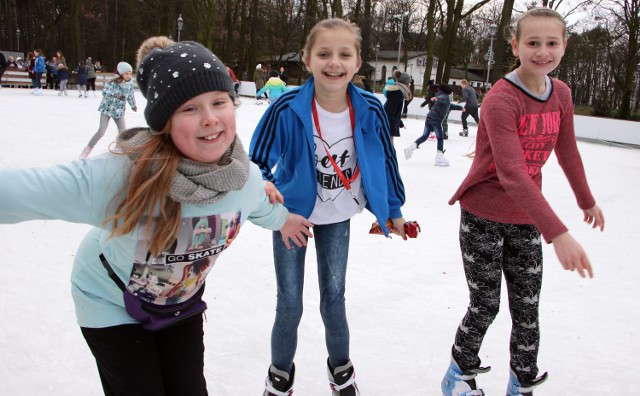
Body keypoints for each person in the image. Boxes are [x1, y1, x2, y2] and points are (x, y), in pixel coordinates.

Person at [0, 35, 312, 396]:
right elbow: (27, 190)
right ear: (164, 122)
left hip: (180, 303)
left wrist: (285, 219)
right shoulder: (125, 177)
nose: (210, 119)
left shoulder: (245, 178)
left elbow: (261, 207)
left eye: (219, 102)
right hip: (109, 300)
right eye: (189, 109)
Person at [441, 8, 605, 396]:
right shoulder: (501, 99)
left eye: (552, 43)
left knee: (527, 307)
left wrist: (586, 199)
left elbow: (567, 151)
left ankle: (521, 383)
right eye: (533, 43)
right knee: (486, 304)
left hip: (526, 215)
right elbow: (513, 173)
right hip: (483, 213)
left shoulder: (561, 94)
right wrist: (559, 232)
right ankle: (458, 375)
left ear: (564, 45)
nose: (542, 52)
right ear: (516, 46)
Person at [249, 18, 407, 396]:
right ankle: (279, 376)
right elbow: (255, 160)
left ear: (357, 62)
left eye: (343, 54)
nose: (333, 62)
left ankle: (342, 372)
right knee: (289, 303)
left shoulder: (370, 107)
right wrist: (265, 182)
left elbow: (386, 160)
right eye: (323, 53)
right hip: (293, 218)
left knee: (334, 299)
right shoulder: (286, 107)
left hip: (337, 218)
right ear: (307, 60)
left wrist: (394, 209)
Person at [79, 61, 137, 158]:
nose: (128, 76)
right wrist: (116, 95)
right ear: (121, 73)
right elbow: (105, 92)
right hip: (107, 109)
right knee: (101, 131)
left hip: (119, 112)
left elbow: (130, 96)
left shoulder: (129, 85)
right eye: (126, 73)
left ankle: (119, 148)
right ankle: (87, 149)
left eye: (130, 73)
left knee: (123, 132)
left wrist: (133, 105)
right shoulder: (113, 82)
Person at [404, 83, 452, 166]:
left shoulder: (440, 95)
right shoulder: (444, 96)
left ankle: (411, 148)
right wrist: (436, 98)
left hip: (429, 118)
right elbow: (441, 99)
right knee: (440, 138)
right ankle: (439, 157)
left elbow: (449, 105)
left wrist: (461, 108)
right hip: (435, 120)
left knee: (425, 136)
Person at [384, 70, 412, 141]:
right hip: (388, 125)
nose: (409, 84)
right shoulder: (398, 93)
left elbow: (393, 110)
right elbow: (390, 111)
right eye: (409, 82)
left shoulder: (398, 92)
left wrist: (399, 122)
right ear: (405, 82)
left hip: (389, 123)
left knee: (389, 147)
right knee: (388, 148)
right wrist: (392, 124)